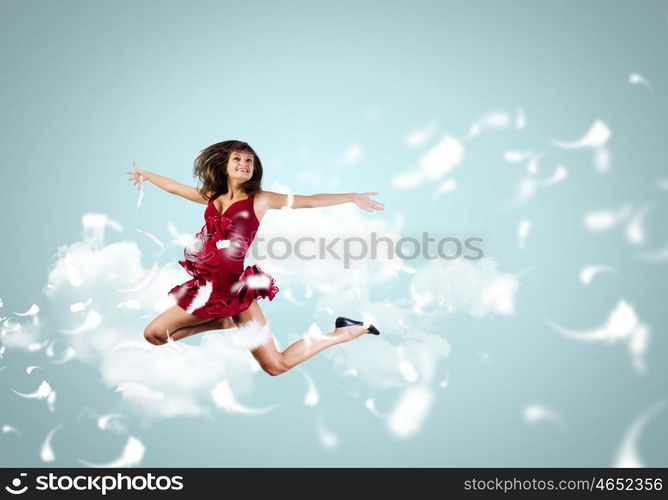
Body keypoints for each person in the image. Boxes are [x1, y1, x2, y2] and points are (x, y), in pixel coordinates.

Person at [127, 140, 384, 376]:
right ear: (225, 167)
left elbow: (311, 201)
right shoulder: (211, 195)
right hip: (209, 288)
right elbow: (173, 187)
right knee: (155, 336)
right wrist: (145, 174)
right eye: (238, 159)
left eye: (250, 161)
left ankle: (344, 333)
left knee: (275, 365)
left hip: (234, 291)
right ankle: (223, 320)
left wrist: (351, 197)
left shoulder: (260, 200)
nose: (244, 164)